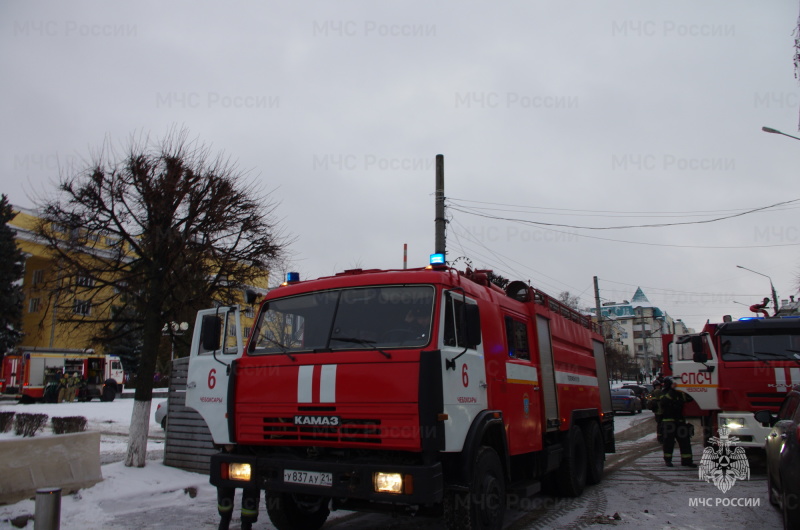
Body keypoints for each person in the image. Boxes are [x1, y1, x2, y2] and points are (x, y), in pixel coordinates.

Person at [658, 377, 696, 467]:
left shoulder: (680, 394)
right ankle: (668, 460)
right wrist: (672, 390)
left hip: (680, 421)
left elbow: (689, 399)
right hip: (668, 422)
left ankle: (687, 461)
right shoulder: (664, 393)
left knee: (685, 442)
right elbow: (664, 402)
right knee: (668, 443)